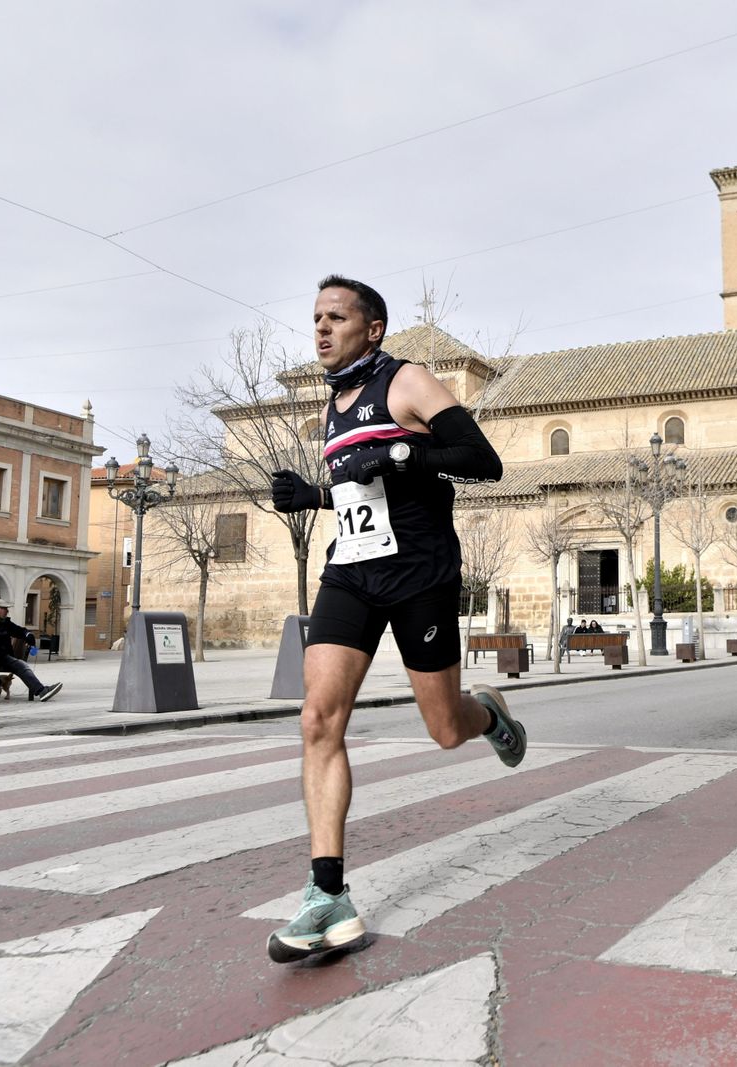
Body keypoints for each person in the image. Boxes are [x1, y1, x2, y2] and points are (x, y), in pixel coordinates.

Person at [266, 274, 521, 963]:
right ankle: (327, 894)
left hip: (419, 572)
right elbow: (363, 488)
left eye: (335, 317)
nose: (320, 328)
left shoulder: (406, 381)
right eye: (315, 317)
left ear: (371, 328)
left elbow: (480, 460)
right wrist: (314, 494)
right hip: (351, 569)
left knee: (443, 728)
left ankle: (488, 714)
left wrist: (403, 450)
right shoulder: (333, 402)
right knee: (318, 718)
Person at [0, 599, 62, 701]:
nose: (7, 611)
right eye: (5, 609)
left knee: (21, 665)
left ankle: (42, 691)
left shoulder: (6, 623)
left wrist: (28, 634)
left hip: (4, 657)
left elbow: (19, 630)